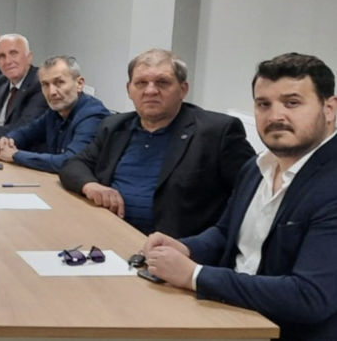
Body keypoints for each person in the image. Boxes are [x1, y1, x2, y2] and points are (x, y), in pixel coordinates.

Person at [143, 53, 337, 341]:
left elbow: (310, 297)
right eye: (264, 104)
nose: (275, 116)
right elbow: (226, 233)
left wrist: (195, 275)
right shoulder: (256, 167)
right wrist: (186, 248)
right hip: (228, 315)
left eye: (292, 103)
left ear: (329, 109)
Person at [59, 49, 255, 237]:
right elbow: (73, 164)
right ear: (129, 90)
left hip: (175, 248)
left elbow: (253, 192)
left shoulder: (216, 132)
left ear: (183, 90)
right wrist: (91, 185)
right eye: (141, 83)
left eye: (162, 82)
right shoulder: (114, 127)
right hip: (111, 233)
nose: (150, 90)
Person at [0, 56, 109, 173]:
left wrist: (15, 155)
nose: (51, 92)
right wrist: (9, 140)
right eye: (45, 85)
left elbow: (71, 162)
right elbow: (26, 133)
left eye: (59, 82)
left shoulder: (92, 116)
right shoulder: (55, 112)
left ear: (79, 84)